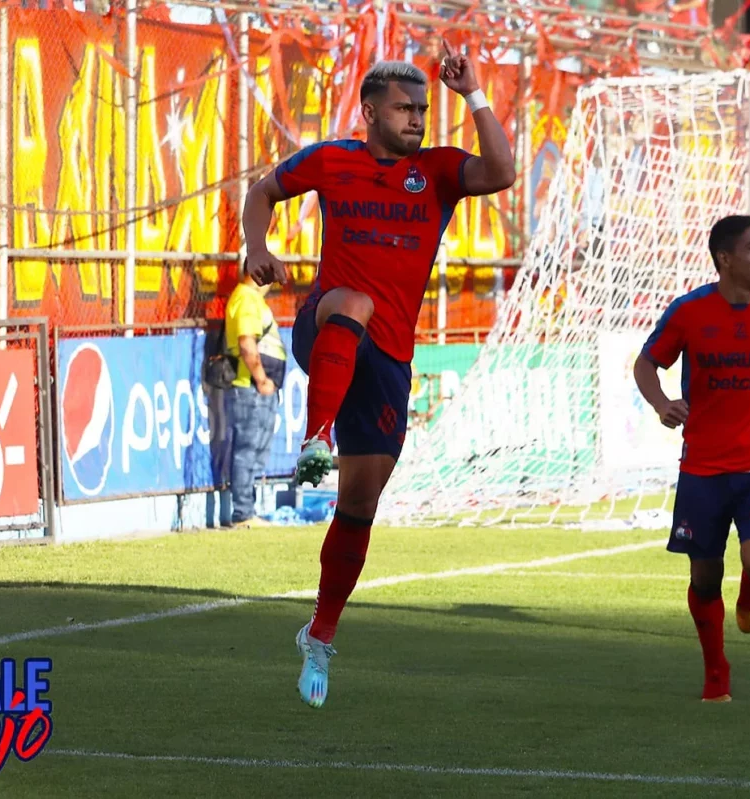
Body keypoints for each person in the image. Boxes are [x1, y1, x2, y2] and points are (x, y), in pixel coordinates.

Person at [240, 45, 516, 709]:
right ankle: (314, 437)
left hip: (388, 361)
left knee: (359, 506)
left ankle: (320, 632)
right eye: (405, 108)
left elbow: (503, 171)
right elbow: (262, 190)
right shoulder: (332, 159)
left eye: (423, 108)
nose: (418, 118)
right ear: (370, 111)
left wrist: (473, 93)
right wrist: (258, 247)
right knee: (351, 303)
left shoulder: (439, 171)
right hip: (328, 325)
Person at [634, 215, 750, 703]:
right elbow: (647, 361)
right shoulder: (689, 312)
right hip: (703, 468)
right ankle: (716, 671)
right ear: (725, 258)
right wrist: (661, 402)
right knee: (704, 576)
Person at [224, 269, 286, 528]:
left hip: (258, 389)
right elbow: (247, 342)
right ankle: (243, 514)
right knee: (247, 452)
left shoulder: (252, 300)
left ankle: (248, 510)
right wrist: (261, 378)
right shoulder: (247, 299)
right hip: (250, 388)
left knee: (255, 452)